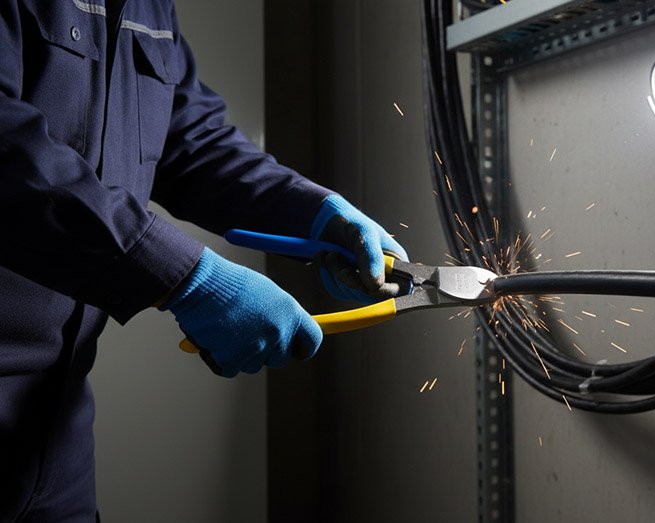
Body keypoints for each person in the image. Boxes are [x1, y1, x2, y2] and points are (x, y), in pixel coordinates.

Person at [0, 1, 405, 519]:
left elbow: (192, 142)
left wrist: (316, 214)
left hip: (55, 435)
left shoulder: (152, 7)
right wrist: (187, 277)